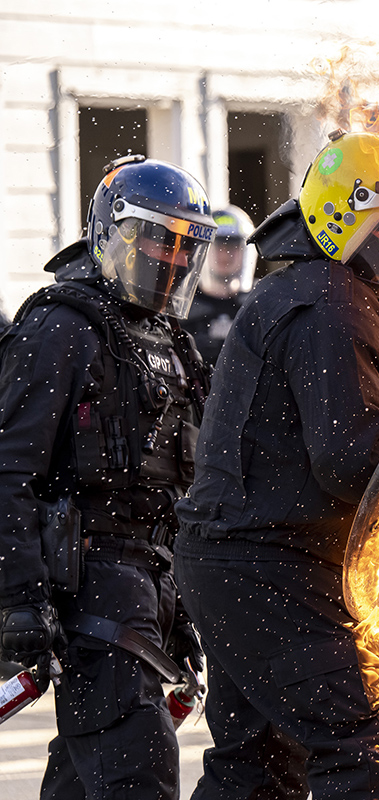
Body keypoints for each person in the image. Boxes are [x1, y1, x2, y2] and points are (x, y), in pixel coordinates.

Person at [174, 130, 379, 799]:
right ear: (349, 216)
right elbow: (349, 461)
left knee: (256, 767)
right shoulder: (330, 304)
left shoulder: (312, 288)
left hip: (238, 562)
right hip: (269, 567)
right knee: (371, 750)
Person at [0, 155, 213, 799]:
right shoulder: (62, 327)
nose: (171, 258)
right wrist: (19, 600)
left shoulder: (175, 343)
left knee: (82, 782)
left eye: (185, 245)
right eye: (156, 237)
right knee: (137, 776)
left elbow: (176, 489)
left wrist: (184, 614)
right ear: (113, 234)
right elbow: (10, 471)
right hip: (90, 586)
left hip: (151, 585)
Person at [182, 204, 256, 366]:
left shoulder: (259, 303)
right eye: (218, 244)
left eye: (233, 245)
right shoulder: (181, 306)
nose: (225, 253)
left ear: (245, 250)